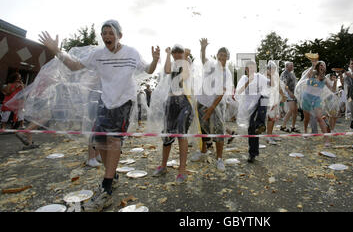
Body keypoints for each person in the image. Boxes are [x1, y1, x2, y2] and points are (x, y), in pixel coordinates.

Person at [38, 20, 160, 211]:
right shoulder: (98, 54)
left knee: (113, 141)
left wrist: (155, 59)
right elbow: (74, 65)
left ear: (120, 35)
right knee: (99, 141)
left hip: (124, 102)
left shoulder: (132, 53)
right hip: (105, 101)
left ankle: (107, 187)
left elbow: (149, 70)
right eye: (104, 33)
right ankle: (113, 174)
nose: (106, 37)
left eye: (110, 33)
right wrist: (57, 51)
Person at [190, 38, 234, 171]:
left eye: (224, 55)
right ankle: (203, 152)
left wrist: (211, 109)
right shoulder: (211, 66)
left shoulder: (226, 73)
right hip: (202, 101)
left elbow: (222, 93)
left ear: (228, 57)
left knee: (219, 131)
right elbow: (203, 59)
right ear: (217, 56)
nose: (222, 57)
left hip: (216, 105)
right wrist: (203, 48)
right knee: (203, 129)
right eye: (220, 54)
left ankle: (219, 158)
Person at [152, 44, 193, 183]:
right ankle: (163, 165)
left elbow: (185, 76)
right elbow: (167, 70)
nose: (176, 54)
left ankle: (182, 170)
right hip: (170, 102)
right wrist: (168, 54)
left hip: (184, 102)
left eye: (178, 52)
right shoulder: (172, 63)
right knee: (167, 134)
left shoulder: (187, 63)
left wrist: (185, 58)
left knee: (181, 134)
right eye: (174, 52)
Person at [236, 61, 269, 163]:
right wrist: (248, 82)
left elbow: (270, 84)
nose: (251, 69)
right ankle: (252, 153)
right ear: (246, 69)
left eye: (253, 67)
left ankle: (261, 124)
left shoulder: (260, 77)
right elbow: (238, 92)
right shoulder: (244, 79)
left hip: (260, 105)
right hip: (250, 107)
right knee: (252, 129)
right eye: (248, 68)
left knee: (264, 97)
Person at [300, 60, 336, 146]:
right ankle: (305, 131)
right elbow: (307, 75)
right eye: (320, 65)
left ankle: (326, 139)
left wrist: (335, 81)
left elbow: (333, 90)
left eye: (323, 65)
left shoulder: (325, 79)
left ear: (325, 68)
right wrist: (313, 65)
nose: (322, 66)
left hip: (317, 99)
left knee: (319, 118)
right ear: (318, 66)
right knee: (306, 118)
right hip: (306, 98)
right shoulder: (312, 73)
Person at [265, 61, 286, 144]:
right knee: (270, 118)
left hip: (275, 99)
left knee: (273, 118)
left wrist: (283, 95)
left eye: (274, 68)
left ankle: (270, 134)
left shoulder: (274, 76)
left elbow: (279, 87)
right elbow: (272, 86)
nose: (273, 69)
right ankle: (268, 136)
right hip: (270, 100)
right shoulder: (267, 76)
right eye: (271, 68)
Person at [280, 62, 300, 133]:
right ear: (286, 66)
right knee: (291, 109)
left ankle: (293, 127)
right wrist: (289, 92)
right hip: (288, 93)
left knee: (295, 111)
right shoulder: (285, 73)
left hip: (294, 94)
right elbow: (284, 84)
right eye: (291, 65)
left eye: (293, 65)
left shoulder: (292, 74)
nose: (292, 66)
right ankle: (283, 126)